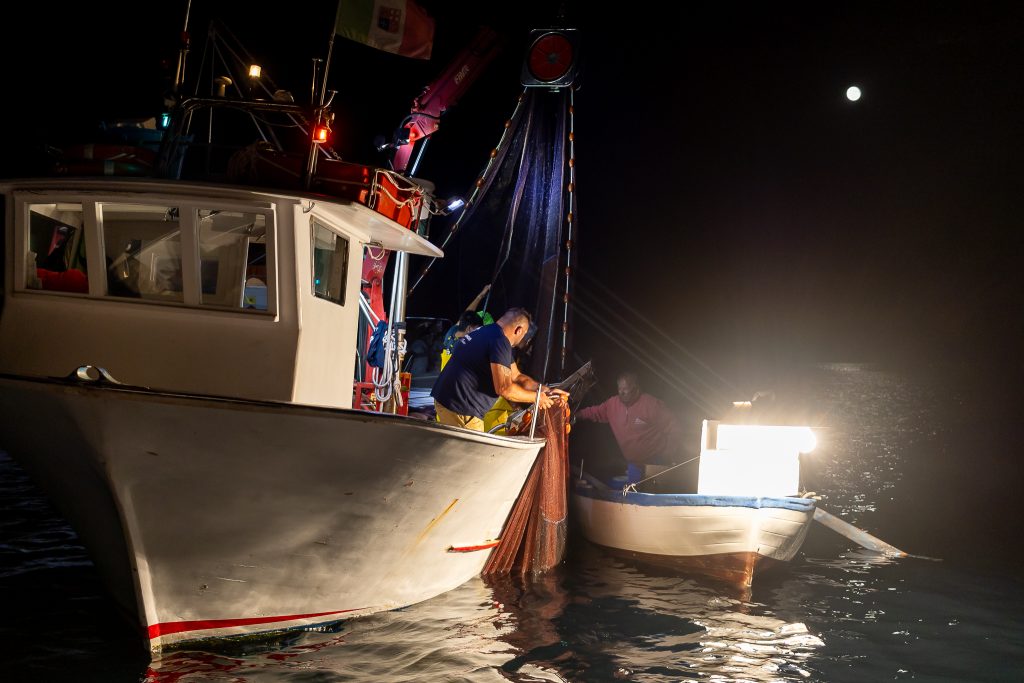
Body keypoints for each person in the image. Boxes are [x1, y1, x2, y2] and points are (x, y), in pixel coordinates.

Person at [432, 308, 566, 431]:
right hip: (460, 409)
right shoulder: (500, 341)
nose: (522, 340)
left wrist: (545, 391)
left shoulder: (486, 332)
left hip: (447, 401)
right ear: (519, 330)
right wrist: (536, 398)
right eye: (524, 335)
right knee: (474, 450)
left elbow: (517, 376)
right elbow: (504, 389)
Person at [576, 371, 681, 484]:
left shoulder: (651, 404)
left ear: (636, 388)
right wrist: (576, 415)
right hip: (634, 464)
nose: (621, 392)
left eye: (625, 389)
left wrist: (669, 452)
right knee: (634, 489)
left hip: (656, 461)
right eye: (619, 388)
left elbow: (674, 426)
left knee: (654, 489)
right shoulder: (612, 404)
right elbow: (594, 412)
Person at [440, 284, 493, 369]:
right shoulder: (466, 346)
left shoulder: (451, 333)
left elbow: (465, 316)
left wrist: (480, 296)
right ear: (469, 328)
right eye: (477, 329)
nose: (478, 333)